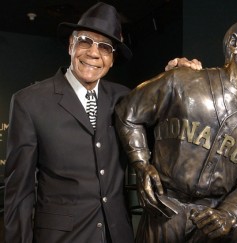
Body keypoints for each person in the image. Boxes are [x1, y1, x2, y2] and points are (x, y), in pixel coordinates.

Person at [3, 2, 201, 243]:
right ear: (71, 45)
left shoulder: (123, 98)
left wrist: (173, 79)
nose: (94, 53)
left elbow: (162, 131)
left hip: (117, 235)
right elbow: (19, 194)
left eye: (105, 47)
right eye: (85, 41)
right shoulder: (29, 102)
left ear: (111, 59)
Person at [115, 12, 237, 242]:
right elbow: (127, 113)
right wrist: (141, 164)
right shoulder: (183, 81)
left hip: (213, 216)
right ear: (234, 43)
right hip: (166, 207)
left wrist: (229, 213)